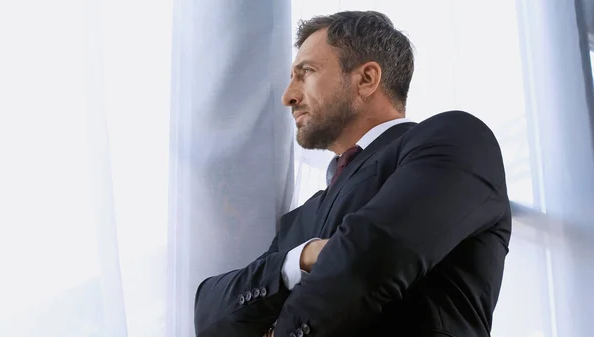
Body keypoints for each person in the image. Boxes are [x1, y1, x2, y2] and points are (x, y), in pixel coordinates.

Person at [194, 10, 511, 337]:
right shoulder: (301, 221)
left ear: (367, 79)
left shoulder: (456, 138)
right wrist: (301, 259)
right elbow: (210, 315)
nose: (288, 96)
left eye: (306, 72)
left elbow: (371, 256)